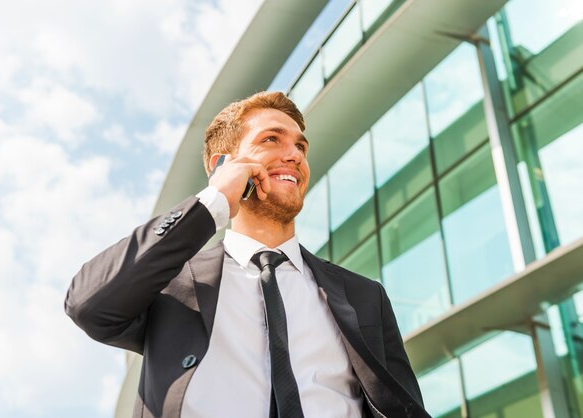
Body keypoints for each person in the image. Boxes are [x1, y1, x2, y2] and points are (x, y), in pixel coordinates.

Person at [65, 91, 430, 418]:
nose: (294, 155)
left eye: (301, 147)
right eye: (272, 139)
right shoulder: (170, 286)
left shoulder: (364, 296)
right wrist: (212, 203)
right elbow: (89, 305)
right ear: (221, 166)